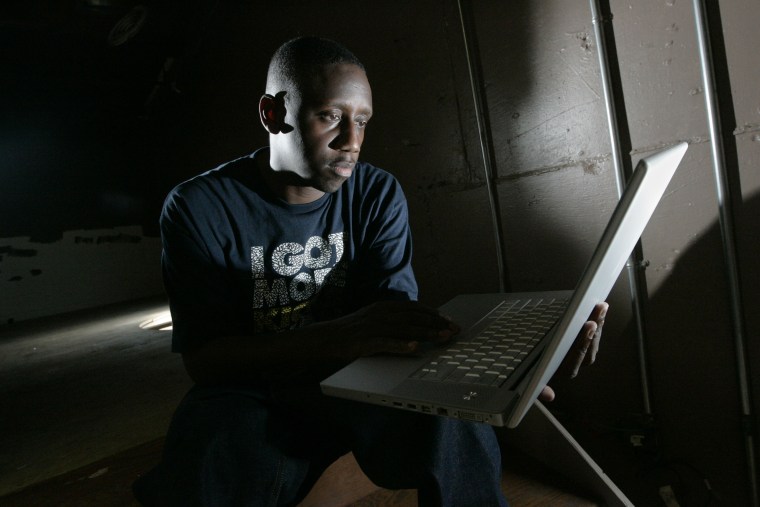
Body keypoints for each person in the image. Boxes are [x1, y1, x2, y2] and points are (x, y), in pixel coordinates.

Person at [133, 36, 607, 507]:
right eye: (330, 117)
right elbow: (206, 361)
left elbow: (397, 324)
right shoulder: (200, 206)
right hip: (255, 390)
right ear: (273, 114)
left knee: (455, 417)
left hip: (359, 382)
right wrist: (339, 335)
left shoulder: (377, 193)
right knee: (207, 445)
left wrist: (511, 371)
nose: (352, 142)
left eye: (362, 121)